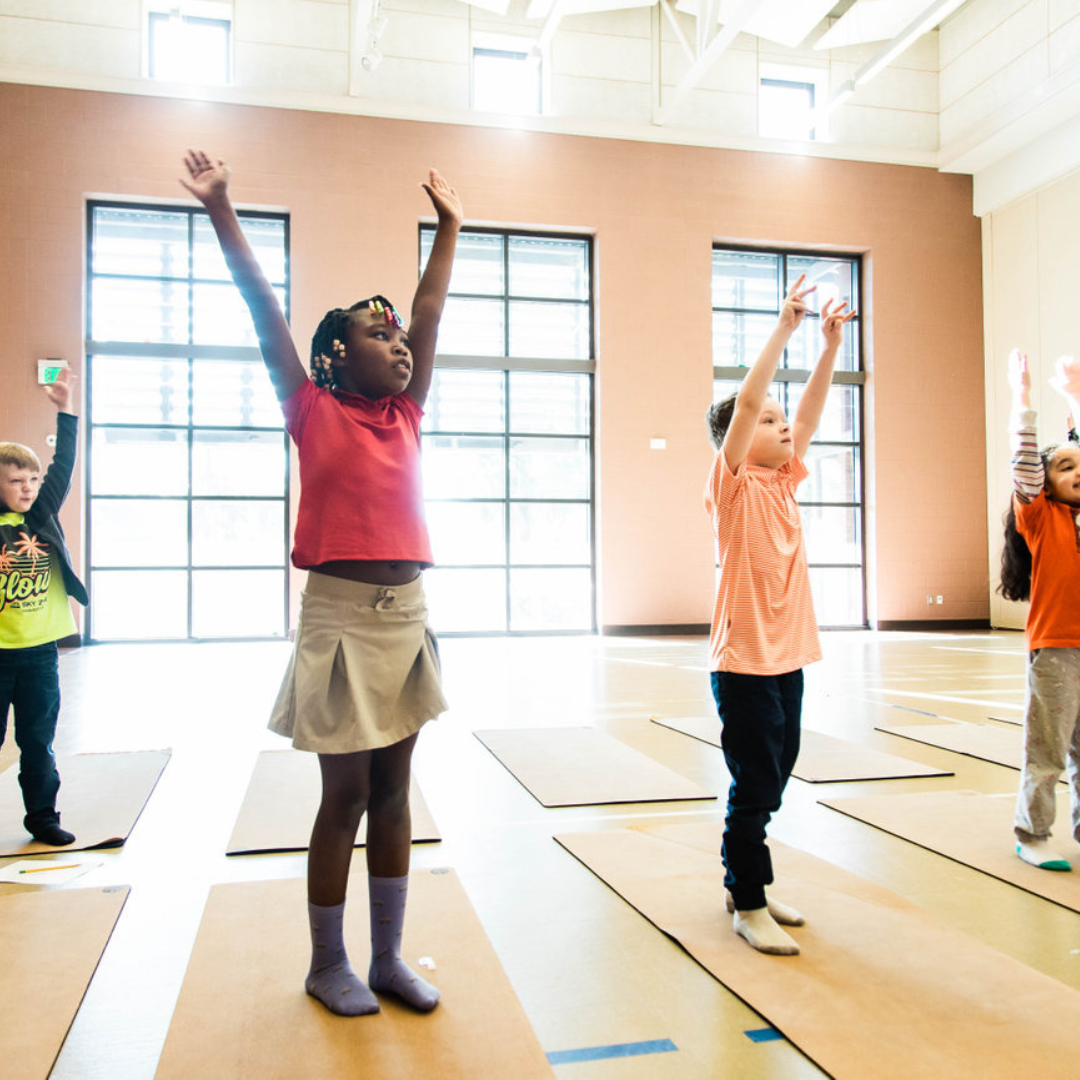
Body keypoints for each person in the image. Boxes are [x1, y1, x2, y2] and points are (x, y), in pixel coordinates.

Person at [180, 148, 461, 1015]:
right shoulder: (312, 408)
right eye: (380, 337)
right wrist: (223, 208)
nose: (403, 345)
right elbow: (263, 307)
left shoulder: (407, 413)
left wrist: (449, 227)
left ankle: (387, 956)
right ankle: (326, 961)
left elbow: (430, 306)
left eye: (404, 339)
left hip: (405, 615)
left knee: (394, 790)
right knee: (343, 795)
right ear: (336, 357)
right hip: (339, 618)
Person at [704, 275, 855, 955]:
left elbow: (813, 413)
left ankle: (749, 880)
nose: (782, 424)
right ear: (736, 437)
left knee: (779, 771)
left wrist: (829, 348)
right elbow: (750, 405)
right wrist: (785, 330)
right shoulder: (733, 484)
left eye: (780, 420)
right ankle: (748, 898)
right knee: (755, 780)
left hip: (787, 655)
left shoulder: (785, 479)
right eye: (769, 420)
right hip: (742, 661)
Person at [999, 349, 1080, 871]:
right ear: (1045, 483)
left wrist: (1075, 396)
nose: (1076, 472)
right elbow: (1025, 459)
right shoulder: (1039, 516)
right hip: (1055, 652)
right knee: (1048, 750)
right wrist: (1022, 399)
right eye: (1066, 466)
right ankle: (1033, 832)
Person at [0, 365, 87, 846]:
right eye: (16, 481)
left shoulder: (41, 513)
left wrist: (65, 408)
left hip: (38, 656)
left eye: (32, 478)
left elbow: (65, 462)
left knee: (37, 743)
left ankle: (43, 818)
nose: (28, 487)